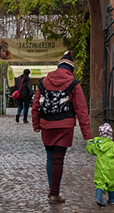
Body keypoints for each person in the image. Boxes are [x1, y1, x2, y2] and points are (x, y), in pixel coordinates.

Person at [32, 51, 92, 204]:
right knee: (58, 160)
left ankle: (52, 189)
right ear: (70, 69)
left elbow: (36, 104)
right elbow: (82, 110)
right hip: (65, 126)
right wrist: (87, 135)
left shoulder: (44, 81)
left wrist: (36, 124)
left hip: (46, 124)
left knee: (50, 157)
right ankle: (54, 194)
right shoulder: (74, 84)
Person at [86, 123, 114, 206]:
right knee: (111, 183)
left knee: (100, 183)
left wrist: (89, 142)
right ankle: (111, 200)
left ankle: (98, 197)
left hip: (100, 167)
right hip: (112, 168)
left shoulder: (98, 146)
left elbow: (90, 149)